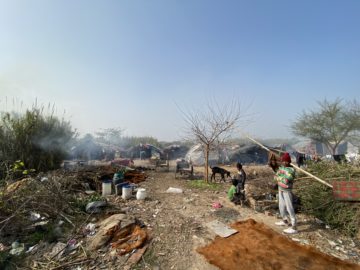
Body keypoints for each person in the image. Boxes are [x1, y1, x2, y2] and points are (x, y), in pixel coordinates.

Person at [274, 152, 298, 234]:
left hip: (287, 191)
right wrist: (279, 178)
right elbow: (275, 177)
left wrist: (279, 179)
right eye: (283, 161)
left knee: (289, 207)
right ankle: (285, 220)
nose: (284, 162)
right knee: (281, 206)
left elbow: (286, 180)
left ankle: (294, 226)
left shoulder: (291, 170)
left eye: (285, 161)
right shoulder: (281, 168)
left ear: (289, 161)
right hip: (280, 189)